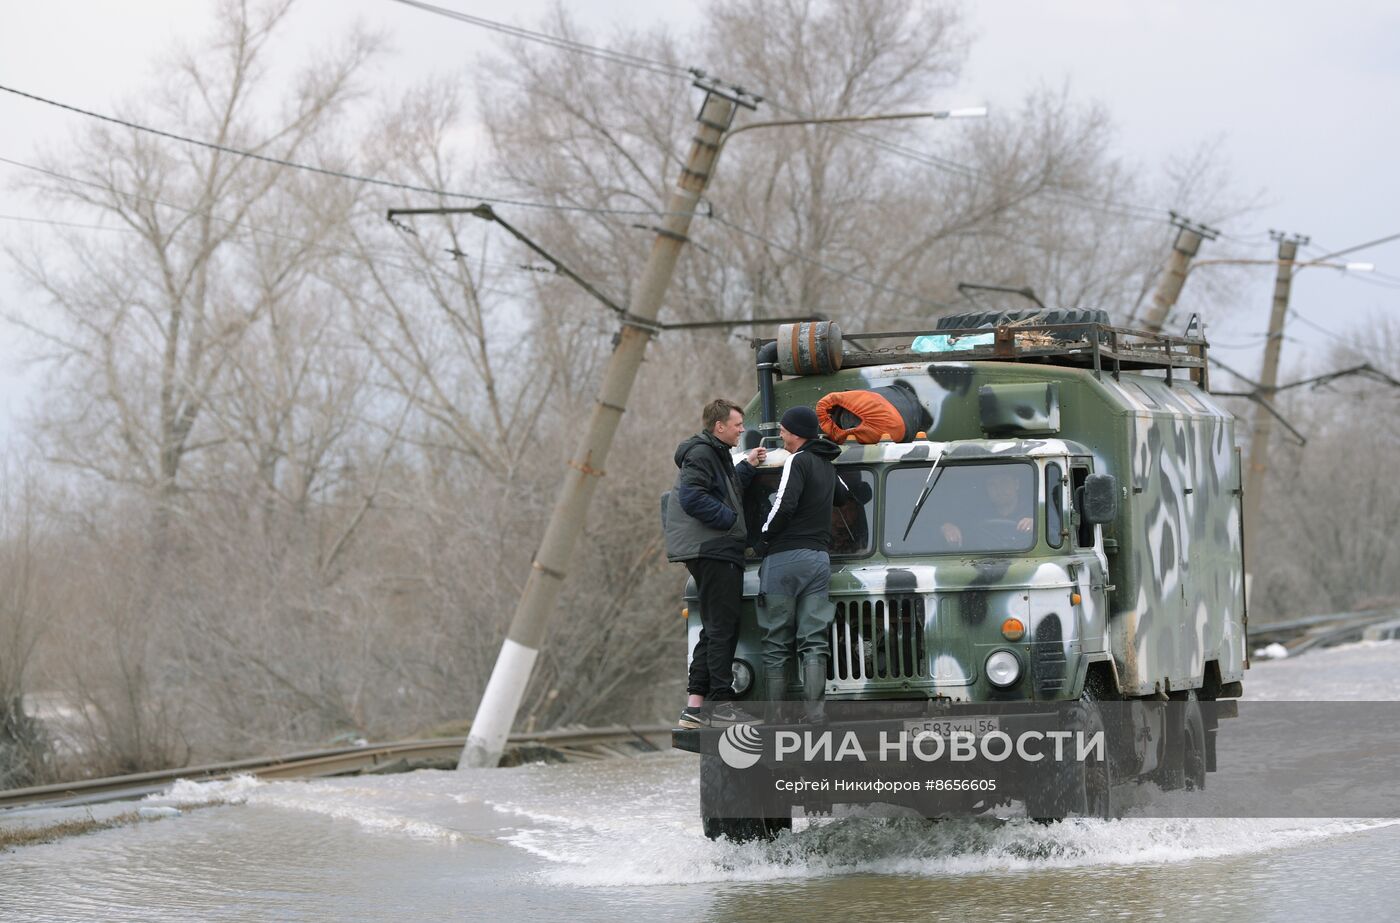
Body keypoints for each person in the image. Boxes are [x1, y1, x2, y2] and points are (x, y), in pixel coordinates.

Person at [664, 399, 766, 728]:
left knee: (712, 629)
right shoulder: (702, 453)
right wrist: (729, 519)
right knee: (723, 628)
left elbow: (725, 488)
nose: (742, 429)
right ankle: (722, 705)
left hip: (711, 549)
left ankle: (695, 707)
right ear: (719, 426)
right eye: (737, 424)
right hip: (714, 550)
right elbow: (692, 496)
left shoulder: (714, 453)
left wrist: (747, 466)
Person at [754, 405, 850, 723]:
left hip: (784, 560)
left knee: (777, 641)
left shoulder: (798, 460)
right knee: (813, 639)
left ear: (795, 433)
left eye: (783, 429)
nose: (780, 434)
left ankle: (776, 718)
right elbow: (843, 496)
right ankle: (815, 715)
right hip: (819, 560)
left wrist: (764, 537)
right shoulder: (826, 462)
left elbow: (784, 504)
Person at [940, 467, 1033, 549]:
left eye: (1004, 482)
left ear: (1016, 484)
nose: (999, 489)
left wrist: (1036, 525)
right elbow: (937, 527)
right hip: (984, 563)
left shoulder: (1035, 511)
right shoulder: (976, 515)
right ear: (987, 489)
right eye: (992, 485)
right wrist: (947, 527)